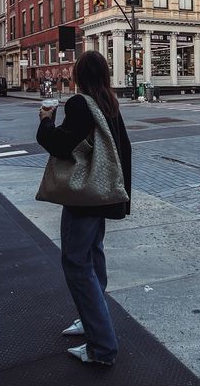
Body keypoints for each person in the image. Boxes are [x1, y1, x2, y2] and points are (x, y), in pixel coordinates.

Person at [36, 50, 132, 367]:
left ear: (78, 75)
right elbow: (124, 149)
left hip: (84, 197)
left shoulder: (80, 103)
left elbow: (62, 146)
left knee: (77, 265)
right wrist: (119, 195)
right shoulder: (110, 102)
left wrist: (46, 122)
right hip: (101, 194)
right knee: (93, 254)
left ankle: (102, 347)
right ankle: (91, 319)